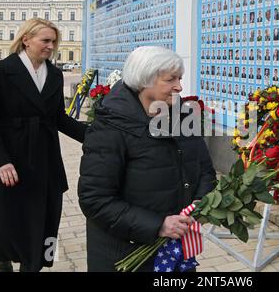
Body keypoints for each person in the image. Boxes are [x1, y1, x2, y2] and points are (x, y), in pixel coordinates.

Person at [78, 46, 216, 272]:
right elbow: (95, 199)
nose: (179, 86)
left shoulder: (182, 115)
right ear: (144, 81)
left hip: (176, 250)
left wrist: (199, 204)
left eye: (179, 78)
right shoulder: (111, 126)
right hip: (125, 255)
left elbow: (204, 169)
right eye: (170, 79)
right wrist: (158, 225)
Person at [0, 18, 87, 272]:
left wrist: (95, 136)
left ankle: (32, 266)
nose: (51, 46)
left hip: (45, 159)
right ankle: (2, 263)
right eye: (45, 40)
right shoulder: (0, 71)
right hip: (9, 160)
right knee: (2, 224)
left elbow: (58, 118)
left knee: (41, 223)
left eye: (53, 42)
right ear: (26, 39)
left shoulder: (56, 74)